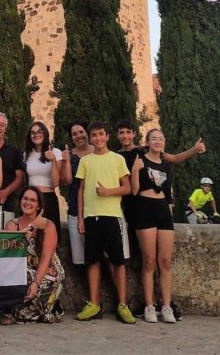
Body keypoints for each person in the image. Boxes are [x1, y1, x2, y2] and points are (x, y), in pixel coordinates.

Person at [74, 122, 134, 324]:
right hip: (91, 218)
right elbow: (81, 190)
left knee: (118, 262)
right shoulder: (86, 161)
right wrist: (81, 218)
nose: (98, 138)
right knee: (92, 261)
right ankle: (94, 304)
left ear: (108, 136)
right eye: (94, 135)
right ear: (90, 138)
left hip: (113, 217)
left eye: (101, 134)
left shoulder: (117, 159)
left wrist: (109, 192)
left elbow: (127, 188)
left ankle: (123, 305)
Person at [131, 128, 178, 324]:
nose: (157, 141)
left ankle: (166, 306)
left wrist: (170, 214)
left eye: (160, 138)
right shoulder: (140, 160)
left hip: (162, 210)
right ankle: (149, 305)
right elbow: (133, 191)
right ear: (147, 141)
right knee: (149, 260)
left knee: (165, 261)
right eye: (154, 138)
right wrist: (134, 170)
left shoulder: (167, 165)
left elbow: (168, 193)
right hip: (144, 208)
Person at [3, 187, 65, 324]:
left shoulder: (48, 226)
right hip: (23, 268)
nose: (28, 202)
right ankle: (47, 308)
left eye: (32, 200)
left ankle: (18, 312)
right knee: (18, 275)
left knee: (47, 279)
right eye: (25, 199)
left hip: (47, 269)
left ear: (39, 206)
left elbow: (45, 258)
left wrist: (36, 283)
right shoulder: (12, 225)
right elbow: (12, 255)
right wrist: (32, 226)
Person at [59, 120, 92, 276]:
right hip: (75, 210)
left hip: (97, 209)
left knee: (100, 257)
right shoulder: (70, 156)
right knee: (80, 260)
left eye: (81, 132)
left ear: (87, 133)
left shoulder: (98, 152)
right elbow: (67, 181)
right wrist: (65, 162)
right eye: (74, 134)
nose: (78, 136)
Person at [22, 122, 61, 243]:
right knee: (30, 236)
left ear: (45, 133)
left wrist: (53, 160)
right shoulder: (27, 154)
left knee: (49, 237)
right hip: (31, 199)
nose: (36, 135)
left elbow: (55, 183)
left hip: (48, 198)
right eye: (33, 132)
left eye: (39, 132)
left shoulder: (56, 152)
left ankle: (50, 262)